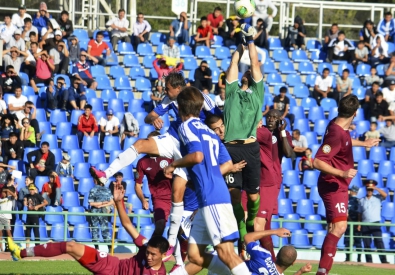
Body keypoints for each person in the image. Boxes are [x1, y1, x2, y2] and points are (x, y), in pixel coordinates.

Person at [89, 72, 221, 260]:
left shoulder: (198, 97)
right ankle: (106, 174)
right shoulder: (169, 99)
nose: (164, 92)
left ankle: (175, 242)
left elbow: (217, 117)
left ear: (178, 88)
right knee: (141, 144)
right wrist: (154, 119)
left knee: (179, 193)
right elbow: (149, 117)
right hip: (174, 137)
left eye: (167, 88)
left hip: (191, 145)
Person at [163, 86, 252, 275]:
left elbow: (196, 156)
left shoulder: (185, 126)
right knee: (195, 255)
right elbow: (227, 162)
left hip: (212, 198)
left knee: (226, 251)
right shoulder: (209, 130)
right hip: (209, 197)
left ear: (180, 107)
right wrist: (209, 176)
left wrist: (174, 165)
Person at [8, 182, 170, 275]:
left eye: (153, 255)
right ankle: (20, 253)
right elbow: (127, 224)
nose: (148, 256)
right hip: (112, 265)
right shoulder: (145, 244)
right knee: (69, 245)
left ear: (163, 256)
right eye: (148, 252)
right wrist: (118, 202)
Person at [313, 94, 380, 275]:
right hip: (333, 183)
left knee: (334, 228)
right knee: (340, 227)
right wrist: (342, 173)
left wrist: (364, 142)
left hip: (338, 184)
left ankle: (323, 269)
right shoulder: (336, 133)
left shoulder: (339, 126)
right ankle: (322, 271)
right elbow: (317, 162)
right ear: (356, 113)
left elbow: (346, 141)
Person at [222, 24, 264, 247]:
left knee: (254, 198)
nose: (247, 72)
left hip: (251, 147)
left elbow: (254, 63)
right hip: (231, 148)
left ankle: (248, 226)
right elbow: (233, 63)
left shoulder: (258, 91)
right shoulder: (231, 92)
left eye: (249, 73)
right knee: (235, 197)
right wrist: (240, 42)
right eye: (244, 73)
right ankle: (242, 237)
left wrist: (250, 40)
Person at [135, 131, 172, 237]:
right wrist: (143, 199)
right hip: (160, 198)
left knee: (181, 229)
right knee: (160, 226)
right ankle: (150, 250)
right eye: (148, 141)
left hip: (178, 194)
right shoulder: (143, 162)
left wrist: (172, 176)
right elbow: (137, 185)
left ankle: (177, 251)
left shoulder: (170, 156)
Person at [357, 180, 389, 264]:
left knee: (379, 242)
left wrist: (376, 188)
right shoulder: (362, 200)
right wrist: (359, 223)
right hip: (365, 223)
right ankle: (369, 261)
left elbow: (385, 195)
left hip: (375, 223)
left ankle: (383, 260)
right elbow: (359, 213)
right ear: (366, 189)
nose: (369, 191)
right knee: (366, 243)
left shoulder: (378, 198)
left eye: (371, 190)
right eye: (368, 189)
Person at [88, 176, 114, 251]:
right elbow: (92, 203)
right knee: (98, 230)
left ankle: (101, 248)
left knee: (99, 230)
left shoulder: (94, 189)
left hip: (99, 212)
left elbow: (92, 203)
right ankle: (107, 248)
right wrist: (103, 203)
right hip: (100, 212)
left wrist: (101, 205)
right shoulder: (106, 190)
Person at [24, 183, 48, 248]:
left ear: (35, 190)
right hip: (28, 216)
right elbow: (25, 201)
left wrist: (38, 206)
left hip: (35, 216)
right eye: (30, 189)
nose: (31, 191)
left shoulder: (38, 196)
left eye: (32, 189)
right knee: (27, 233)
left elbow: (46, 202)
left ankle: (38, 248)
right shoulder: (27, 195)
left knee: (36, 232)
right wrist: (25, 202)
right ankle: (27, 248)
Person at [344, 185, 362, 262]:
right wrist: (358, 223)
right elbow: (360, 214)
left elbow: (359, 213)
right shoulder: (358, 200)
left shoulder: (355, 201)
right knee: (354, 241)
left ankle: (353, 258)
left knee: (352, 241)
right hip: (352, 223)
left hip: (351, 223)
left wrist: (357, 223)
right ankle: (355, 258)